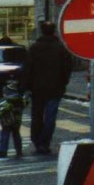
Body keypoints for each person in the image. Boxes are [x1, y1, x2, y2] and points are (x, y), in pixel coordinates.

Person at [22, 20, 73, 155]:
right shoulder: (60, 48)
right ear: (54, 31)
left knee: (37, 116)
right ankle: (45, 142)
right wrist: (63, 82)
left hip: (37, 89)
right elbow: (67, 68)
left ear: (42, 31)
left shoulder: (34, 48)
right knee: (50, 117)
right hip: (55, 89)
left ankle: (37, 141)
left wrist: (27, 86)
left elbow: (27, 69)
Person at [0, 80, 27, 158]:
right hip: (17, 121)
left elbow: (1, 111)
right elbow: (24, 104)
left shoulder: (6, 102)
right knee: (16, 135)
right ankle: (19, 150)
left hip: (6, 121)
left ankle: (3, 151)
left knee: (5, 135)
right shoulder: (20, 100)